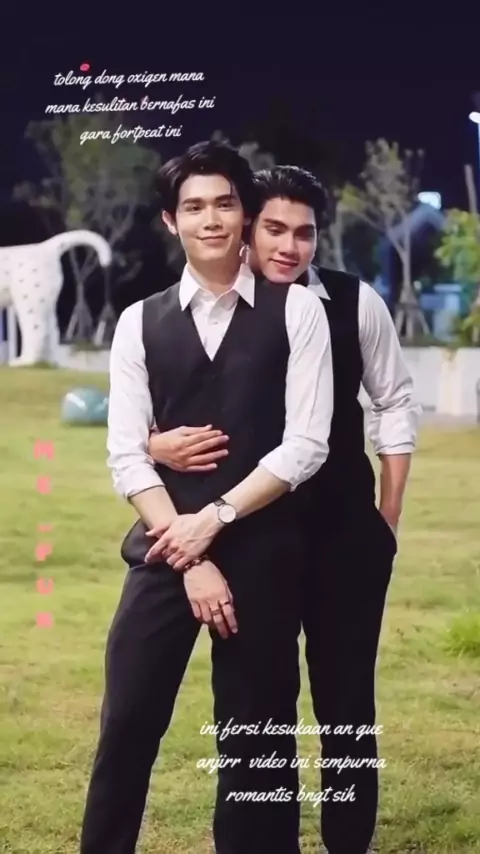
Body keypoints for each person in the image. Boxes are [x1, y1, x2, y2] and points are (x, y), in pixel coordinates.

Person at [148, 164, 421, 854]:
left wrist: (387, 518)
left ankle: (347, 841)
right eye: (274, 228)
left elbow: (394, 403)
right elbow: (168, 402)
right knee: (255, 704)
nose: (289, 246)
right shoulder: (220, 307)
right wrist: (153, 442)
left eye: (305, 233)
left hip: (343, 536)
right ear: (248, 226)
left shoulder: (354, 303)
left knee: (346, 701)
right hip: (253, 539)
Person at [79, 145, 334, 854]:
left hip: (262, 550)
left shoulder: (298, 310)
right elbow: (126, 454)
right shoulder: (139, 322)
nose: (211, 219)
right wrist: (189, 553)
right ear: (172, 220)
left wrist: (216, 519)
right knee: (127, 722)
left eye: (225, 203)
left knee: (257, 738)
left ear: (244, 212)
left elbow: (306, 445)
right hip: (166, 551)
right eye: (194, 206)